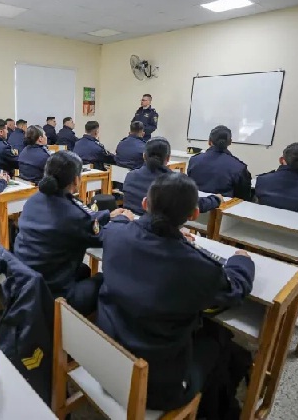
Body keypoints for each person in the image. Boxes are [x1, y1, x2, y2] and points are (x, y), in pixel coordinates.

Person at [96, 172, 255, 412]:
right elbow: (235, 290)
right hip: (155, 388)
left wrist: (173, 237)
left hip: (104, 359)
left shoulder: (115, 234)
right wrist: (242, 261)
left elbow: (120, 224)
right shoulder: (197, 267)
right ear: (193, 214)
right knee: (221, 341)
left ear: (144, 204)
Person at [14, 151, 134, 315]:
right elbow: (103, 237)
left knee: (84, 270)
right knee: (105, 278)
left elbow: (81, 220)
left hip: (25, 282)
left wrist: (107, 215)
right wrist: (123, 220)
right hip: (52, 297)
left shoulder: (34, 200)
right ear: (77, 180)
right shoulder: (74, 214)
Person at [123, 137, 222, 216]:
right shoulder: (175, 183)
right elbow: (195, 205)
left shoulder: (130, 176)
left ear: (144, 156)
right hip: (160, 234)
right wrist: (216, 199)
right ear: (168, 158)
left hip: (132, 227)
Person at [187, 125, 252, 200]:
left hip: (197, 207)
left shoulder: (194, 160)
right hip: (224, 209)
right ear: (230, 142)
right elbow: (243, 199)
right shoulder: (239, 167)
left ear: (209, 141)